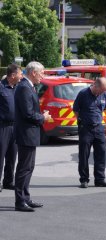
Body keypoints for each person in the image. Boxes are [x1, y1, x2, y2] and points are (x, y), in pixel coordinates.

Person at [14, 61, 51, 212]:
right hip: (26, 134)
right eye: (41, 72)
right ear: (33, 72)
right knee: (24, 168)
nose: (43, 75)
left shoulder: (29, 86)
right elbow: (28, 113)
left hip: (30, 133)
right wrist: (43, 117)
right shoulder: (24, 87)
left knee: (29, 167)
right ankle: (20, 201)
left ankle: (26, 198)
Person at [73, 77, 106, 189]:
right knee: (84, 155)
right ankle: (84, 180)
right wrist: (82, 121)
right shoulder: (83, 94)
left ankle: (100, 180)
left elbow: (103, 108)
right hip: (86, 128)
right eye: (102, 90)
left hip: (99, 128)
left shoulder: (103, 94)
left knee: (101, 155)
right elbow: (76, 109)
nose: (103, 92)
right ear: (96, 86)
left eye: (105, 90)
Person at [0, 64, 22, 192]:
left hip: (15, 126)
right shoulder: (1, 87)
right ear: (12, 75)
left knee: (12, 155)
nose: (21, 76)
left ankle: (8, 181)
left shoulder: (17, 88)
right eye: (20, 74)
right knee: (0, 155)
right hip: (2, 126)